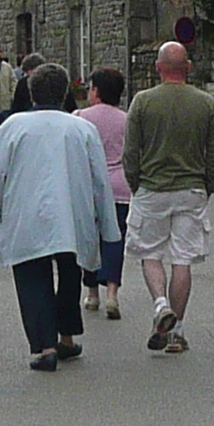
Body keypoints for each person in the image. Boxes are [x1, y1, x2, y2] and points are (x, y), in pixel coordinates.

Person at [0, 62, 111, 372]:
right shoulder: (81, 128)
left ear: (31, 93)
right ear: (65, 93)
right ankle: (66, 336)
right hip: (72, 213)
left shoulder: (13, 126)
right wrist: (106, 224)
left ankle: (44, 346)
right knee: (69, 274)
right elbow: (100, 180)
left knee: (32, 276)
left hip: (26, 214)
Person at [122, 40, 214, 352]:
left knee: (150, 254)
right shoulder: (205, 103)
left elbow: (131, 152)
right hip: (191, 188)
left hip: (152, 187)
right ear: (188, 68)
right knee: (183, 260)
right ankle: (176, 331)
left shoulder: (142, 102)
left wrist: (136, 183)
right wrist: (207, 185)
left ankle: (160, 304)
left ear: (158, 67)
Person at [77, 66, 133, 321]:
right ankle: (112, 293)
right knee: (115, 238)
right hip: (120, 186)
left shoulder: (80, 117)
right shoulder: (127, 119)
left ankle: (91, 292)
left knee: (89, 239)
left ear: (96, 91)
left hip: (89, 185)